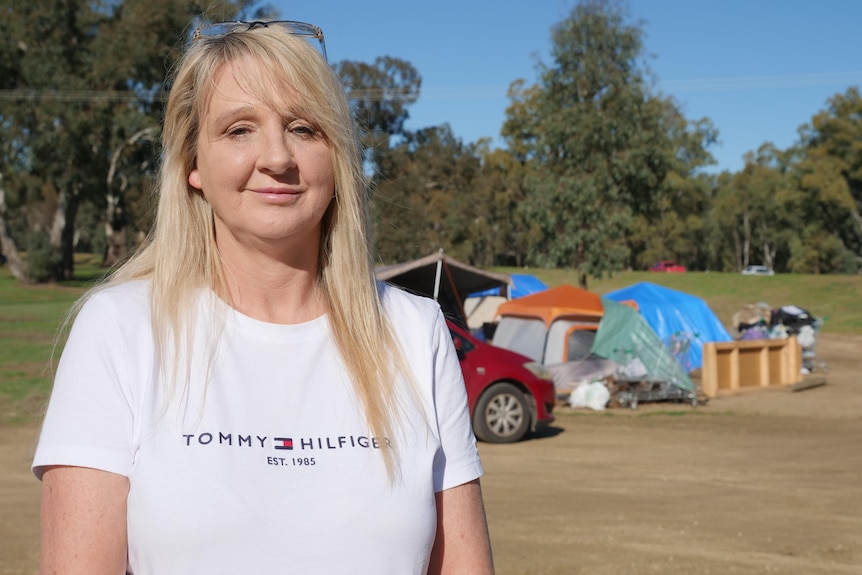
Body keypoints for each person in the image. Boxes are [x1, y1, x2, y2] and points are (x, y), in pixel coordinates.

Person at [33, 20, 494, 575]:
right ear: (192, 164)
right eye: (238, 130)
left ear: (338, 158)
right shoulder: (119, 329)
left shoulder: (414, 330)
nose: (277, 157)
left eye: (303, 127)